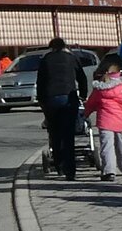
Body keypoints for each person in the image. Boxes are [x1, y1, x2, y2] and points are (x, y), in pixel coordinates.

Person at [37, 37, 89, 181]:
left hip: (51, 99)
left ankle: (59, 165)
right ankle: (70, 171)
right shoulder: (71, 58)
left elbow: (40, 81)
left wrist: (42, 101)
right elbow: (82, 78)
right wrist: (83, 95)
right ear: (64, 46)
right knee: (68, 136)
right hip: (68, 98)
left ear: (51, 47)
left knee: (55, 133)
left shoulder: (46, 60)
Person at [83, 58, 122, 181]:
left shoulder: (99, 90)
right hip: (120, 121)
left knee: (107, 146)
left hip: (105, 122)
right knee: (121, 145)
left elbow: (90, 104)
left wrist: (85, 114)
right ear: (118, 74)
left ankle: (109, 171)